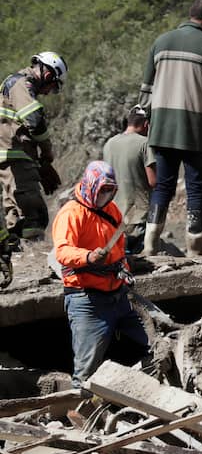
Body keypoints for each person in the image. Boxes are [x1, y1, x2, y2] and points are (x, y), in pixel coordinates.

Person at [139, 0, 202, 256]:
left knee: (162, 187)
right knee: (196, 188)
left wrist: (147, 117)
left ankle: (150, 246)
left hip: (162, 128)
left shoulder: (161, 42)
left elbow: (146, 89)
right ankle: (195, 251)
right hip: (196, 130)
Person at [52, 161, 148, 388]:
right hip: (87, 300)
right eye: (103, 189)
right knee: (86, 370)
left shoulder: (111, 210)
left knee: (153, 342)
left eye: (110, 190)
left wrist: (124, 266)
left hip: (118, 295)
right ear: (91, 185)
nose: (106, 194)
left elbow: (119, 245)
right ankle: (80, 403)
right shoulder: (71, 213)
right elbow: (63, 251)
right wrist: (88, 257)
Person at [0, 51, 67, 241]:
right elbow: (35, 121)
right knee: (35, 216)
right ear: (48, 75)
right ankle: (31, 253)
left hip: (13, 157)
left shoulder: (16, 85)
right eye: (52, 87)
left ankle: (17, 253)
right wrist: (47, 154)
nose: (47, 93)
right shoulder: (20, 83)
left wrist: (39, 164)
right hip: (15, 158)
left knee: (16, 218)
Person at [103, 106, 156, 254]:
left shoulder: (109, 144)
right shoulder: (145, 144)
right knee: (138, 260)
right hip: (137, 217)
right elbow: (153, 182)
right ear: (146, 124)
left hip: (112, 216)